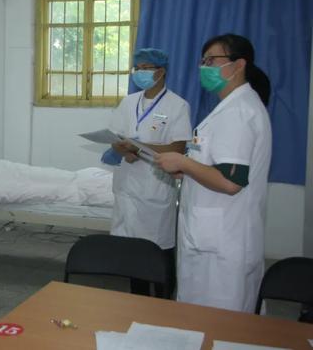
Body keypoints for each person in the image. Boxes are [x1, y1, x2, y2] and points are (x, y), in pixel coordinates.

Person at [155, 34, 271, 312]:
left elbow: (231, 182)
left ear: (239, 65)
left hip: (222, 245)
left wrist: (184, 163)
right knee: (202, 318)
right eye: (203, 61)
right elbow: (218, 168)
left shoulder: (238, 112)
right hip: (214, 238)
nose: (204, 67)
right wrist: (189, 171)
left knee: (220, 323)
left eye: (211, 61)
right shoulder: (230, 108)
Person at [103, 48, 192, 295]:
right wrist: (124, 150)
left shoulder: (177, 106)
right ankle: (138, 300)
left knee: (159, 249)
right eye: (137, 68)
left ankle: (163, 301)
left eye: (146, 68)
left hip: (155, 186)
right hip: (127, 186)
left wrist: (138, 148)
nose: (140, 73)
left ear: (161, 71)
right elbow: (114, 138)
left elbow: (178, 148)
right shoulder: (128, 102)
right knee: (133, 252)